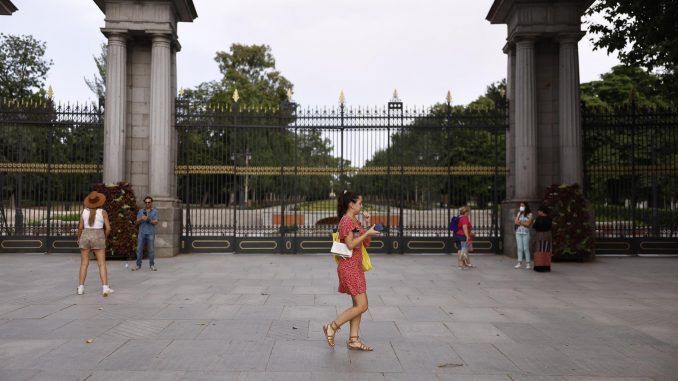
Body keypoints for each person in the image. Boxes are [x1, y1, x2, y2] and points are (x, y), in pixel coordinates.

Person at [323, 190, 380, 351]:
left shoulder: (354, 220)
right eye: (360, 203)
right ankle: (332, 327)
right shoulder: (347, 221)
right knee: (362, 305)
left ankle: (353, 339)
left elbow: (363, 243)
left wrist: (368, 226)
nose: (362, 206)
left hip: (354, 266)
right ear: (351, 204)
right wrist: (366, 232)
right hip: (349, 267)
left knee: (358, 304)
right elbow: (350, 244)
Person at [76, 191, 113, 296]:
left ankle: (81, 288)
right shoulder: (103, 212)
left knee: (84, 263)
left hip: (85, 235)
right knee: (101, 264)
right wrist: (104, 237)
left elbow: (80, 227)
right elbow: (108, 228)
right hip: (98, 235)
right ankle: (105, 288)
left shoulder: (84, 212)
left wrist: (78, 238)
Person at [133, 196, 159, 271]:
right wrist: (141, 219)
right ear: (144, 203)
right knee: (139, 249)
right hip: (141, 233)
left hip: (150, 233)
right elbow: (136, 222)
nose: (147, 203)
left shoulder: (155, 211)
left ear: (151, 203)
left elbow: (156, 222)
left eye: (149, 202)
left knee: (151, 250)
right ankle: (138, 265)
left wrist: (148, 219)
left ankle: (152, 265)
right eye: (146, 202)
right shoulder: (141, 211)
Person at [532, 206, 553, 272]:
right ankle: (546, 266)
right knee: (547, 250)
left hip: (540, 235)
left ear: (542, 211)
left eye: (539, 211)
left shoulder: (539, 218)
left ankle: (539, 266)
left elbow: (534, 226)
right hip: (548, 235)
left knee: (539, 250)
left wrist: (534, 222)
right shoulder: (549, 218)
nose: (538, 212)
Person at [514, 201, 534, 269]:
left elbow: (528, 224)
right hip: (518, 233)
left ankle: (528, 263)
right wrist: (523, 223)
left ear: (526, 206)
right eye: (520, 206)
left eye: (522, 205)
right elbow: (516, 222)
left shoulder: (530, 214)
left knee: (526, 248)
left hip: (525, 233)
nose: (521, 207)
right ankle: (519, 262)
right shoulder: (519, 213)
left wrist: (520, 222)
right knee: (519, 248)